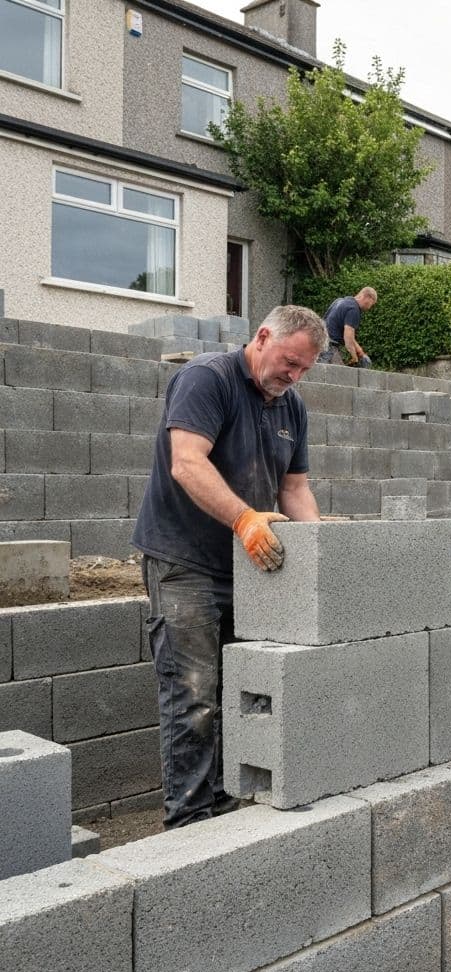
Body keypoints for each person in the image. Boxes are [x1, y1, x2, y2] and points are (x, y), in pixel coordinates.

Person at [132, 305, 328, 829]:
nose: (294, 376)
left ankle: (224, 799)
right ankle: (190, 819)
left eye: (305, 369)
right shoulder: (207, 379)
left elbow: (294, 489)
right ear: (262, 337)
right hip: (185, 561)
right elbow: (187, 462)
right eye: (289, 363)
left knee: (239, 686)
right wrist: (243, 518)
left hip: (249, 568)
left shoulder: (292, 408)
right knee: (193, 692)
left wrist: (323, 553)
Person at [322, 286, 377, 367]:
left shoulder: (339, 301)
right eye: (371, 304)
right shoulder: (354, 309)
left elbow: (349, 336)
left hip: (320, 341)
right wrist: (355, 358)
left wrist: (361, 353)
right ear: (367, 297)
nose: (369, 307)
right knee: (335, 374)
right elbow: (348, 337)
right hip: (329, 347)